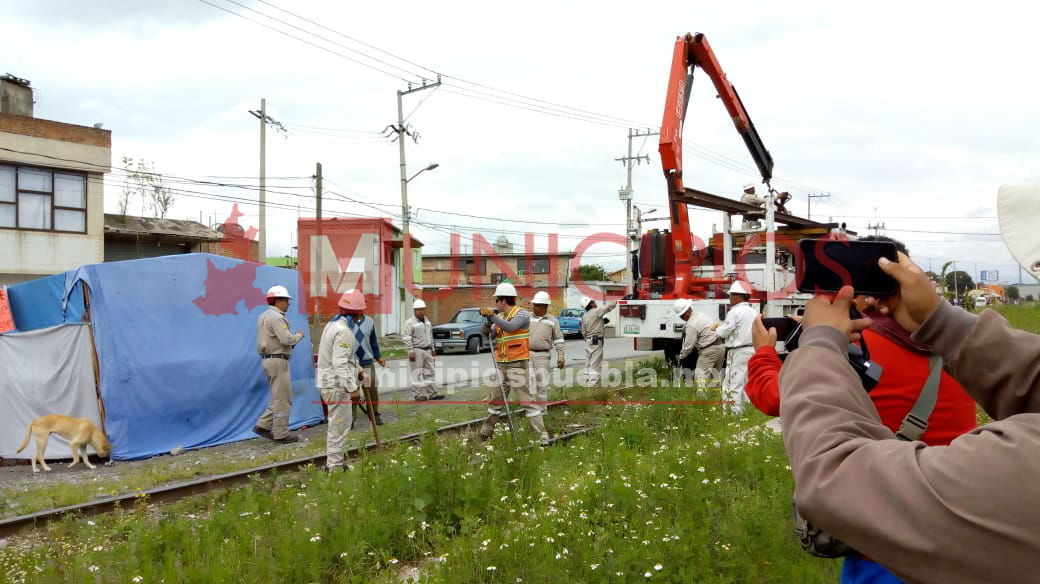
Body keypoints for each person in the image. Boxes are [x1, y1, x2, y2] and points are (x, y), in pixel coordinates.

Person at [779, 252, 1040, 582]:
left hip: (882, 536)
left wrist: (807, 345)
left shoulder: (861, 346)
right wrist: (941, 322)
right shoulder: (945, 352)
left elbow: (831, 466)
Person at [745, 238, 976, 582]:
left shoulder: (860, 350)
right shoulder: (959, 344)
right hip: (959, 531)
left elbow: (774, 397)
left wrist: (765, 352)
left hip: (886, 543)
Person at [478, 282, 549, 445]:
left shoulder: (522, 314)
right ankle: (486, 432)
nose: (495, 303)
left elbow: (510, 327)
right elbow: (488, 334)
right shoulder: (501, 318)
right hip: (502, 365)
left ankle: (542, 436)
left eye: (497, 300)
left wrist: (493, 316)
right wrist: (488, 321)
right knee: (495, 400)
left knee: (527, 401)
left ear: (503, 301)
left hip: (518, 365)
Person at [317, 290, 365, 472]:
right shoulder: (344, 332)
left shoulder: (332, 325)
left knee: (336, 424)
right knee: (339, 426)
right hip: (337, 385)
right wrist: (352, 387)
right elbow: (339, 363)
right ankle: (335, 467)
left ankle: (334, 462)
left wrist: (359, 370)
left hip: (328, 383)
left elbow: (346, 358)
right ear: (358, 312)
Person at [253, 285, 305, 443]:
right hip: (278, 360)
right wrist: (298, 336)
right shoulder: (277, 317)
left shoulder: (263, 316)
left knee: (277, 396)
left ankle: (263, 425)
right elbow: (286, 339)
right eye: (286, 301)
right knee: (283, 398)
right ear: (278, 301)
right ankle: (281, 433)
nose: (288, 304)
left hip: (268, 360)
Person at [341, 290, 386, 427]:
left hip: (367, 361)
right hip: (352, 363)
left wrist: (378, 358)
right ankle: (351, 419)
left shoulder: (370, 322)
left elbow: (373, 343)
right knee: (353, 391)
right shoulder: (347, 322)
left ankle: (374, 415)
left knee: (372, 389)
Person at [711, 281, 757, 413]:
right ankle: (748, 411)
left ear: (739, 296)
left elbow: (723, 332)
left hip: (738, 351)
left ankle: (732, 414)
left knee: (732, 383)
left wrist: (717, 328)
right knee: (747, 382)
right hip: (751, 350)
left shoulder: (734, 312)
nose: (730, 298)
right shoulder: (753, 311)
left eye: (731, 295)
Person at [673, 298, 725, 385]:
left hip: (709, 350)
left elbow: (688, 346)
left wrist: (681, 357)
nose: (681, 318)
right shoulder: (701, 315)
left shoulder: (691, 324)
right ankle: (715, 396)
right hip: (720, 346)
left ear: (688, 310)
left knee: (700, 375)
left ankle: (702, 397)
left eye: (682, 315)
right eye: (680, 316)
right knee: (715, 375)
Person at [529, 290, 566, 412]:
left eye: (536, 305)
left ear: (544, 306)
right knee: (529, 381)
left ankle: (542, 411)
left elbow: (559, 339)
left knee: (542, 384)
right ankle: (531, 410)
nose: (533, 306)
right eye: (533, 304)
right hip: (527, 354)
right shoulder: (527, 318)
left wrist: (561, 356)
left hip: (543, 356)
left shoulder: (552, 321)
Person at [403, 299, 441, 402]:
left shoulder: (427, 321)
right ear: (414, 310)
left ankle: (432, 393)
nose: (420, 311)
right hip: (417, 350)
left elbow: (430, 335)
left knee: (430, 372)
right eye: (418, 310)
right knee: (416, 373)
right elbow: (407, 338)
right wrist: (411, 351)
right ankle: (417, 394)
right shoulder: (410, 323)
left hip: (427, 350)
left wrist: (433, 348)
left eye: (422, 309)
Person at [580, 296, 617, 385]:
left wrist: (588, 340)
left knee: (588, 362)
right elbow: (608, 307)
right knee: (595, 363)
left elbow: (584, 332)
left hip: (588, 341)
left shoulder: (584, 316)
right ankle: (592, 385)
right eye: (594, 301)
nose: (595, 302)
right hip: (596, 340)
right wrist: (618, 300)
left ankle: (586, 381)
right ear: (591, 304)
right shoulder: (597, 311)